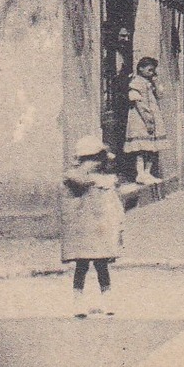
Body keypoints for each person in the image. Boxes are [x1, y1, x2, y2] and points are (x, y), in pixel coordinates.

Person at [62, 134, 122, 317]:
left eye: (96, 159)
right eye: (90, 159)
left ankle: (107, 299)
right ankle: (78, 301)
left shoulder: (106, 181)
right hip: (83, 231)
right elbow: (77, 181)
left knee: (101, 266)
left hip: (99, 230)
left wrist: (117, 226)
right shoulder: (73, 178)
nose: (95, 163)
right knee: (82, 267)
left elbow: (115, 205)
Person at [125, 56, 166, 185]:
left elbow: (160, 95)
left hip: (152, 117)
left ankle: (147, 173)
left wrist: (155, 82)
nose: (152, 72)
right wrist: (148, 120)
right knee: (141, 148)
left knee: (152, 147)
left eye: (153, 70)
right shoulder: (136, 83)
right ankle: (140, 174)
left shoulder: (149, 83)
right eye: (149, 70)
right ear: (140, 68)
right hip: (140, 118)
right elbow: (139, 104)